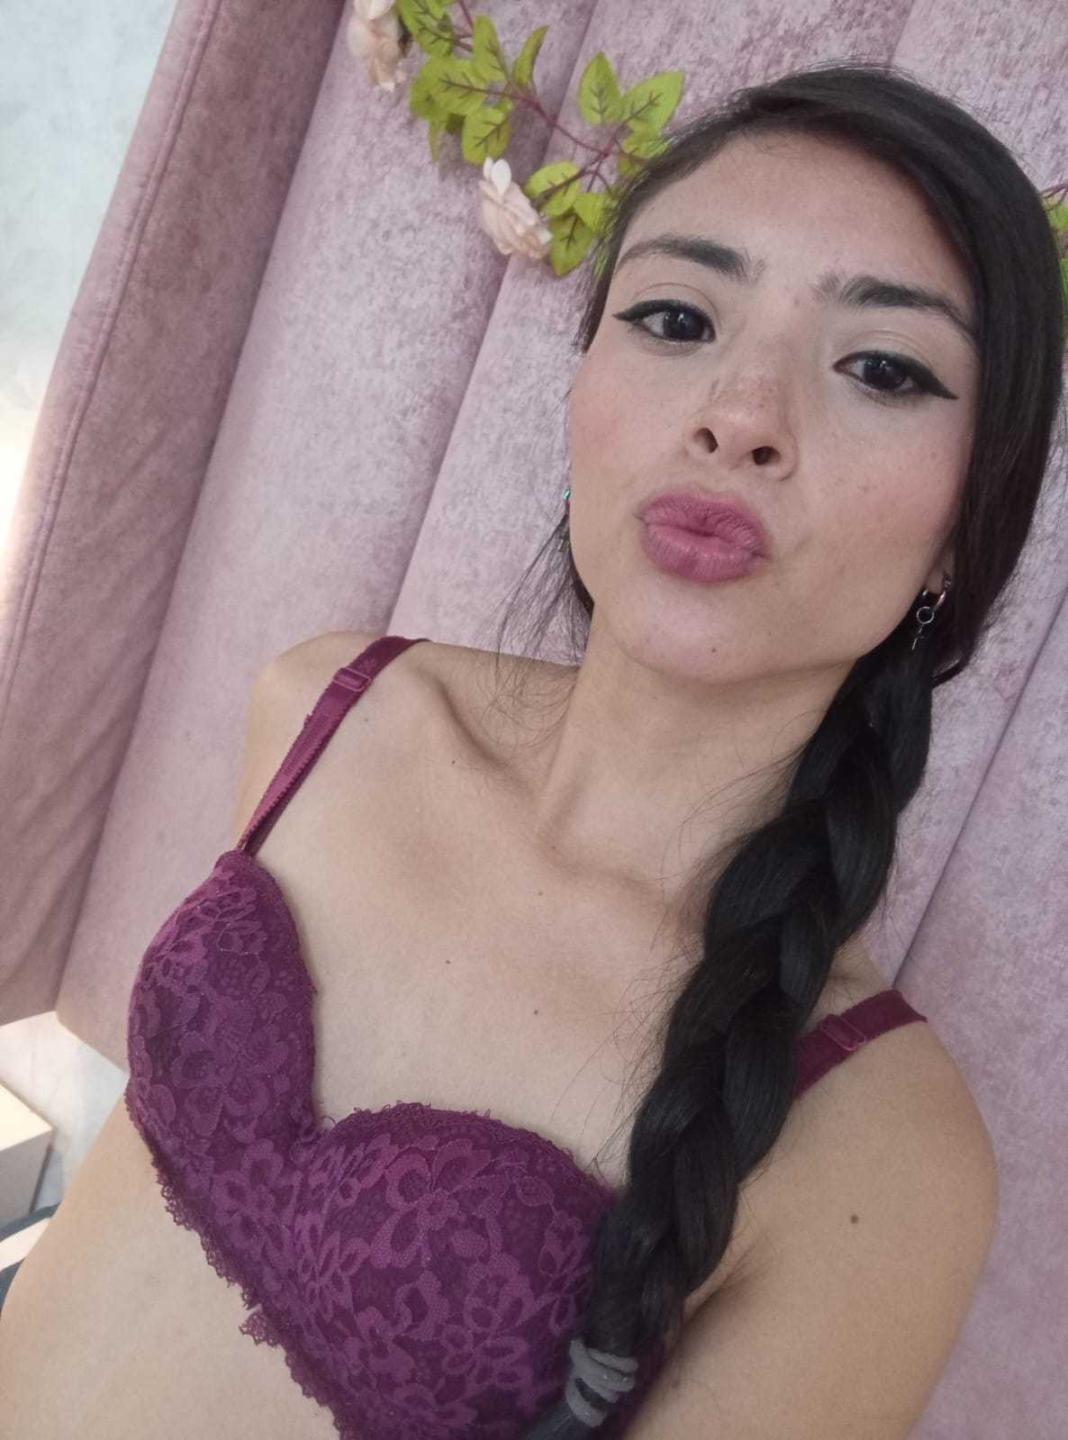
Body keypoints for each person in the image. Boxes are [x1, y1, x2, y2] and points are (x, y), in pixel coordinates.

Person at [1, 60, 1063, 1440]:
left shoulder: (885, 1149)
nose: (741, 414)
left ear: (968, 529)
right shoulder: (331, 707)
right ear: (582, 394)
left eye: (881, 368)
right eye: (677, 317)